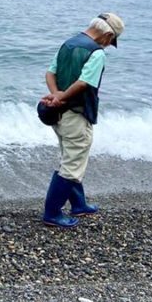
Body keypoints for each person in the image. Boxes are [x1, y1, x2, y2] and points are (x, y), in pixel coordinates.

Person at [40, 13, 125, 227]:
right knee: (72, 163)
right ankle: (52, 213)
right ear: (107, 34)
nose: (108, 45)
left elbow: (50, 73)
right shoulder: (96, 53)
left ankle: (79, 204)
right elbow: (83, 83)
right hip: (76, 114)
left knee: (70, 156)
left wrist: (55, 96)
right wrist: (62, 97)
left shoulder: (68, 43)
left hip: (58, 114)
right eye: (110, 41)